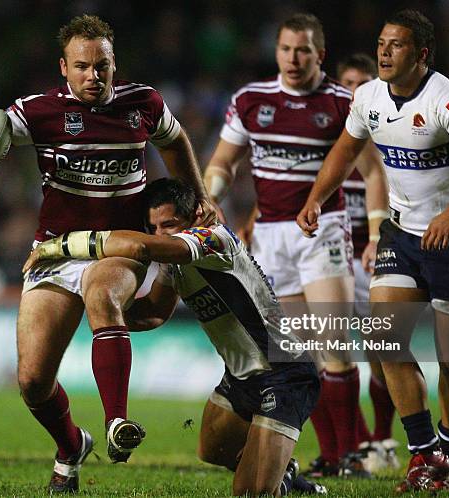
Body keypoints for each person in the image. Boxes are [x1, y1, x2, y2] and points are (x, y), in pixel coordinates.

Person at [0, 15, 215, 493]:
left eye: (101, 65)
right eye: (82, 66)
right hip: (52, 251)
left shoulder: (143, 103)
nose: (93, 76)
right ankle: (70, 445)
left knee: (101, 290)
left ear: (113, 64)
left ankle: (116, 424)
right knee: (32, 381)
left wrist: (200, 195)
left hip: (121, 246)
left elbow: (176, 140)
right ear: (63, 68)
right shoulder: (39, 112)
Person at [297, 9, 449, 492]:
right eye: (381, 43)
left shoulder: (448, 100)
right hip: (401, 236)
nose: (384, 52)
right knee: (382, 341)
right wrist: (316, 196)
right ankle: (422, 456)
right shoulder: (368, 97)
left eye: (396, 45)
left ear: (422, 54)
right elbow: (345, 151)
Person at [23, 177, 327, 497]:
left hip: (283, 372)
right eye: (153, 226)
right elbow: (155, 311)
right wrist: (108, 317)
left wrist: (59, 245)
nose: (160, 234)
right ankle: (285, 472)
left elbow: (141, 247)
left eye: (169, 224)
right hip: (241, 376)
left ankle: (278, 477)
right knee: (213, 450)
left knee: (251, 493)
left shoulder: (212, 237)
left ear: (195, 214)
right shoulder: (175, 261)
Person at [203, 13, 387, 478]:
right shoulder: (251, 100)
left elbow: (373, 171)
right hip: (270, 236)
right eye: (285, 49)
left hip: (323, 227)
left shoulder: (342, 102)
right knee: (295, 353)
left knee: (332, 342)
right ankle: (330, 456)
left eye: (302, 50)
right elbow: (224, 162)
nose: (292, 58)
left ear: (319, 55)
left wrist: (378, 230)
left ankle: (352, 454)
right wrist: (211, 199)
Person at [336, 53, 399, 473]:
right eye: (347, 83)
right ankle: (356, 441)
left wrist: (380, 240)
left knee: (381, 349)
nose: (354, 91)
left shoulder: (392, 138)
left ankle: (382, 438)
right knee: (333, 352)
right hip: (336, 259)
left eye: (362, 82)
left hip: (381, 256)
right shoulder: (331, 142)